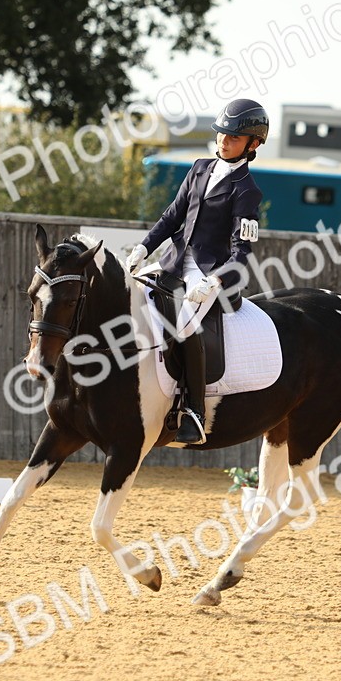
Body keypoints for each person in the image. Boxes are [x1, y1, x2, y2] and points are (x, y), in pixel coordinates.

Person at [126, 98, 268, 444]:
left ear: (253, 145)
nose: (224, 141)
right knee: (130, 297)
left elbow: (242, 251)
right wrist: (144, 247)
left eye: (233, 138)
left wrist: (214, 282)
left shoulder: (247, 191)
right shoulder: (199, 168)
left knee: (186, 326)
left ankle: (194, 411)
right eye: (222, 134)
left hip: (208, 273)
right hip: (173, 260)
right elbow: (172, 216)